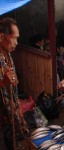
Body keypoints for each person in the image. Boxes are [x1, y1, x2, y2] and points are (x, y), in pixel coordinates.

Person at [0, 17, 24, 150]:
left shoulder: (7, 54)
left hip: (11, 113)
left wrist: (18, 104)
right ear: (2, 36)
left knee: (12, 142)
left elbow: (14, 82)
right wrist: (3, 81)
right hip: (2, 116)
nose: (16, 43)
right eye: (14, 38)